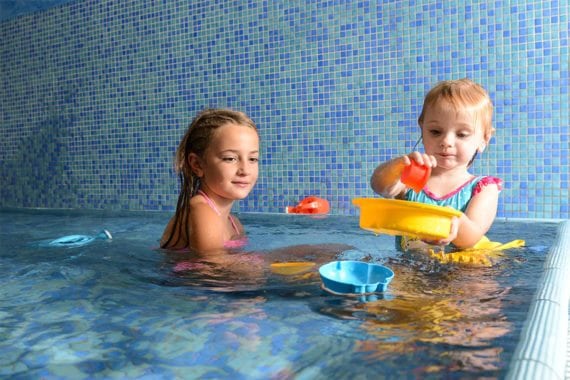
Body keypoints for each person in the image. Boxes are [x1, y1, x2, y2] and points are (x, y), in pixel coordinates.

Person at [370, 78, 502, 250]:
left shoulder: (484, 188)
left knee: (476, 277)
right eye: (435, 132)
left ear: (484, 139)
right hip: (411, 267)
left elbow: (471, 237)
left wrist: (448, 221)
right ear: (422, 129)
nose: (446, 141)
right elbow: (380, 186)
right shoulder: (411, 180)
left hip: (460, 270)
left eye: (461, 134)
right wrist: (399, 166)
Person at [161, 108, 259, 252]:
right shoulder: (201, 211)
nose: (245, 170)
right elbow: (214, 270)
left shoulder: (234, 224)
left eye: (252, 159)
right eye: (230, 158)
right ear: (197, 165)